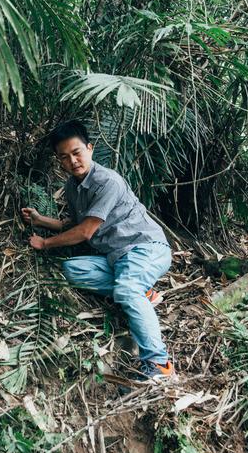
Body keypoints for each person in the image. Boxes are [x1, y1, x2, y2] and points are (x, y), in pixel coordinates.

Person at [21, 120, 173, 381]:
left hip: (145, 248)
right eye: (64, 157)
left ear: (90, 149)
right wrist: (39, 220)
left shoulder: (108, 182)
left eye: (77, 152)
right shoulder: (72, 187)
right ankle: (143, 293)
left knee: (125, 289)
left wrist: (45, 244)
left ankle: (160, 365)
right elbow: (73, 224)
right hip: (116, 258)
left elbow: (85, 232)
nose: (73, 161)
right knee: (73, 269)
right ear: (59, 162)